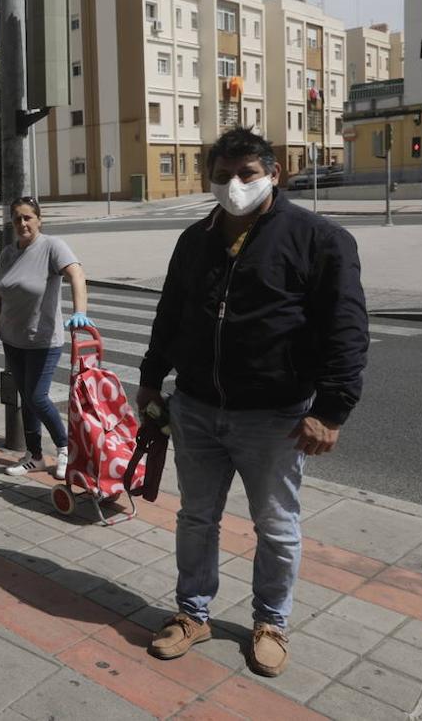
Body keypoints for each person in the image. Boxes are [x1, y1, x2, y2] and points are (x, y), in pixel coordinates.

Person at [138, 129, 367, 678]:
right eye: (222, 175)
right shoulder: (194, 240)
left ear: (273, 174)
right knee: (196, 518)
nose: (234, 185)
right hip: (195, 407)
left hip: (275, 417)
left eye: (245, 173)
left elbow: (347, 330)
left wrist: (331, 410)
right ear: (208, 179)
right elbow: (171, 313)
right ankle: (193, 612)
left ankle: (271, 622)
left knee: (277, 525)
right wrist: (151, 378)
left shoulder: (319, 239)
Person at [0, 196, 89, 480]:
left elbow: (76, 274)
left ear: (39, 220)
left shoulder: (52, 247)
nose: (22, 223)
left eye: (28, 217)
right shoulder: (8, 253)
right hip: (13, 340)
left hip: (43, 340)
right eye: (17, 219)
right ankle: (35, 456)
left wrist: (80, 311)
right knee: (26, 399)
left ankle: (66, 448)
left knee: (37, 397)